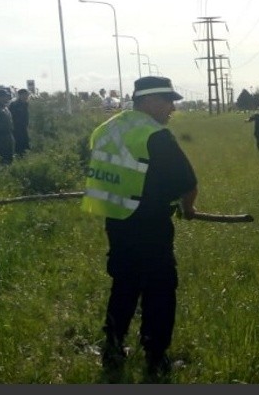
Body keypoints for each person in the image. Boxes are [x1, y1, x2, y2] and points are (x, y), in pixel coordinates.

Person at [81, 75, 198, 379]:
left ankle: (113, 346)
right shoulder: (155, 134)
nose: (172, 108)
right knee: (160, 288)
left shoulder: (105, 129)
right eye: (167, 101)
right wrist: (188, 210)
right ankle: (156, 357)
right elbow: (188, 182)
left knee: (124, 282)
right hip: (150, 224)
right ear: (148, 101)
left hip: (117, 221)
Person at [9, 88, 31, 157]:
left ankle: (24, 157)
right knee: (18, 144)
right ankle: (19, 157)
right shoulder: (14, 104)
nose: (26, 96)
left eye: (27, 95)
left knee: (25, 143)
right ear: (20, 95)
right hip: (16, 128)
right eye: (24, 95)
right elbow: (10, 116)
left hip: (24, 127)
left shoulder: (26, 104)